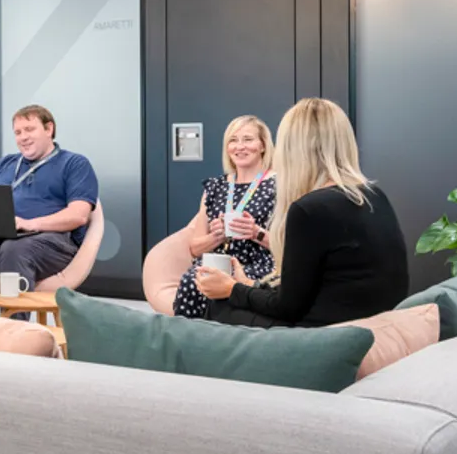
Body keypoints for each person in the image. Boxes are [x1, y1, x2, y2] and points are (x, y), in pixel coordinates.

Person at [193, 97, 408, 327]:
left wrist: (232, 288)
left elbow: (287, 308)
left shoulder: (308, 210)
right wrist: (249, 287)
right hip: (371, 318)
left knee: (219, 307)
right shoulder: (374, 195)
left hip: (325, 330)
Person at [0, 104, 99, 313]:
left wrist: (29, 224)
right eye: (18, 132)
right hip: (3, 240)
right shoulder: (5, 164)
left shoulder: (74, 163)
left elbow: (78, 216)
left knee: (14, 249)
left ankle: (17, 330)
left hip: (53, 242)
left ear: (49, 129)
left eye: (30, 129)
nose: (23, 137)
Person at [172, 115, 278, 319]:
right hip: (216, 262)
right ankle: (188, 345)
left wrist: (256, 233)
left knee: (233, 288)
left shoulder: (279, 185)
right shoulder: (215, 187)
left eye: (248, 139)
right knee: (191, 280)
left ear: (263, 145)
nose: (240, 146)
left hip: (258, 265)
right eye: (233, 140)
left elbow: (290, 245)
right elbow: (194, 248)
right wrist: (217, 237)